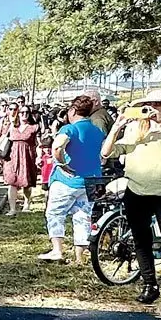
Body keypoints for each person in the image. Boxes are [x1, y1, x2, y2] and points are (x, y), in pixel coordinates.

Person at [101, 90, 161, 303]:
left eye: (158, 104)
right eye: (149, 103)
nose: (153, 108)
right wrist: (117, 126)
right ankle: (149, 284)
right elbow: (107, 152)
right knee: (141, 240)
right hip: (137, 190)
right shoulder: (135, 128)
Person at [38, 95, 105, 263]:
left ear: (72, 110)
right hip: (92, 180)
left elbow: (58, 146)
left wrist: (61, 163)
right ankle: (79, 256)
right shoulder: (97, 130)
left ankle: (57, 250)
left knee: (55, 213)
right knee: (83, 216)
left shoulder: (69, 129)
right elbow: (103, 154)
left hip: (67, 181)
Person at [3, 105, 39, 215]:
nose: (24, 114)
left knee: (26, 183)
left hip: (27, 157)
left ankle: (27, 203)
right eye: (22, 112)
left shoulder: (34, 127)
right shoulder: (12, 126)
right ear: (18, 113)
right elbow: (3, 138)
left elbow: (38, 144)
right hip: (12, 157)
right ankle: (12, 209)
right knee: (12, 182)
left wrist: (39, 157)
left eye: (27, 112)